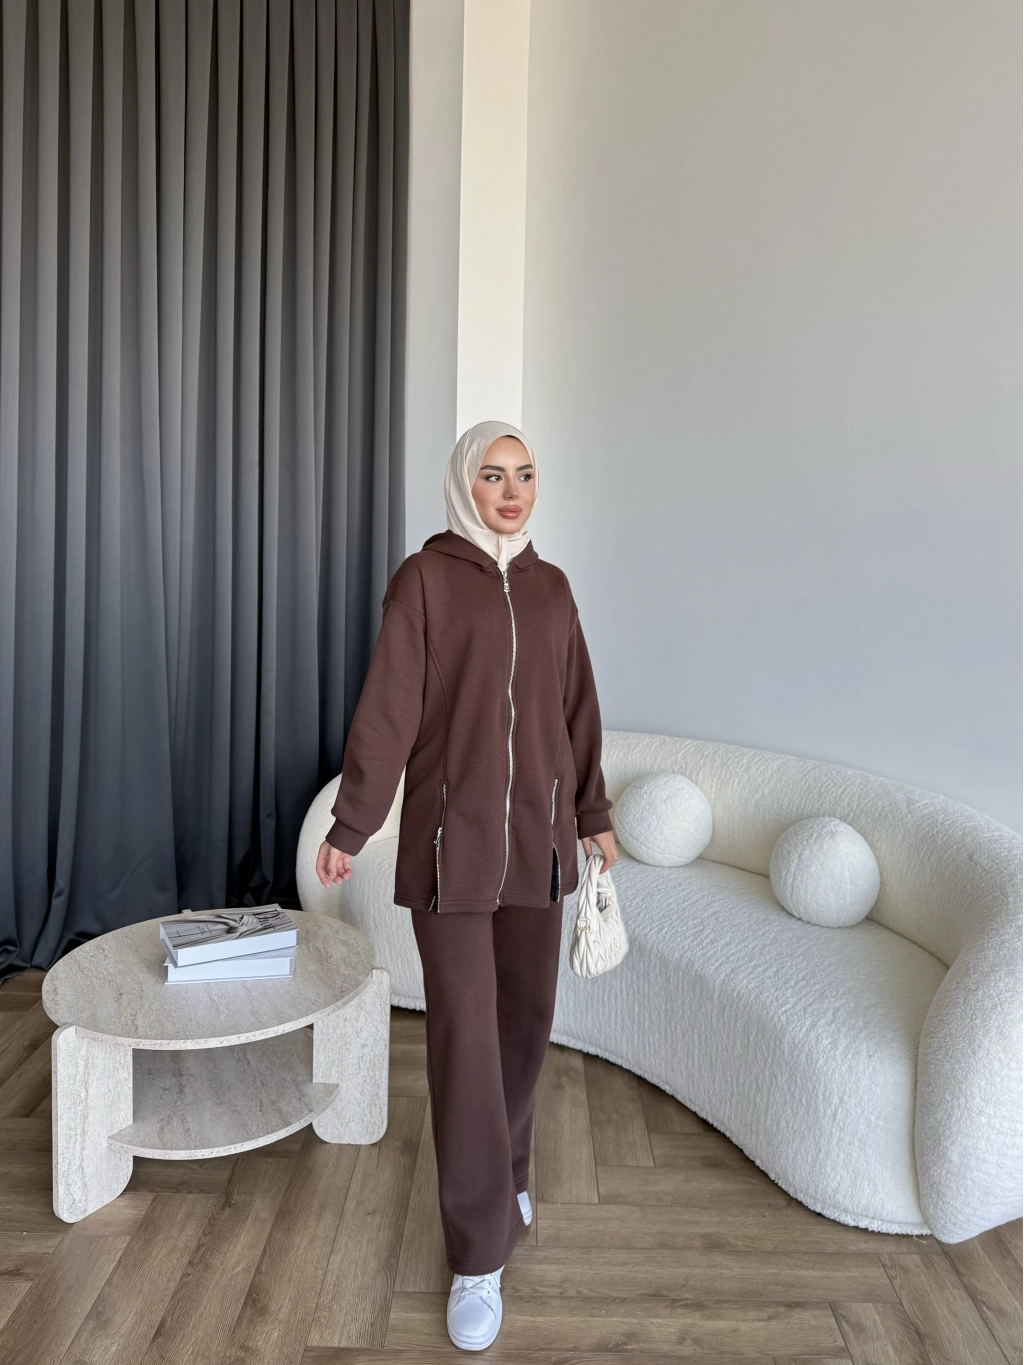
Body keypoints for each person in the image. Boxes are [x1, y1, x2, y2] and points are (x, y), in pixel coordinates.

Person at [315, 419, 618, 1351]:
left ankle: (509, 1173)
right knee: (464, 1039)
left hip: (540, 849)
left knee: (524, 1026)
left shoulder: (554, 589)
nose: (512, 491)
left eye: (524, 474)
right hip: (451, 851)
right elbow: (389, 710)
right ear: (463, 485)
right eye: (493, 475)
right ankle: (478, 1252)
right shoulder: (425, 581)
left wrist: (593, 814)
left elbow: (577, 710)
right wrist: (352, 823)